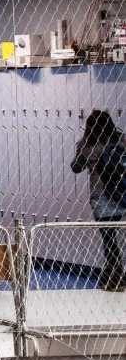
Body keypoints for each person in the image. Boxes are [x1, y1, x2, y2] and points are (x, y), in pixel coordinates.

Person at [73, 110, 126, 291]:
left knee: (108, 238)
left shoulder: (87, 144)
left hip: (100, 196)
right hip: (121, 195)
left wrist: (84, 153)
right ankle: (113, 276)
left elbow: (76, 167)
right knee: (116, 236)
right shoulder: (121, 140)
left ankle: (115, 278)